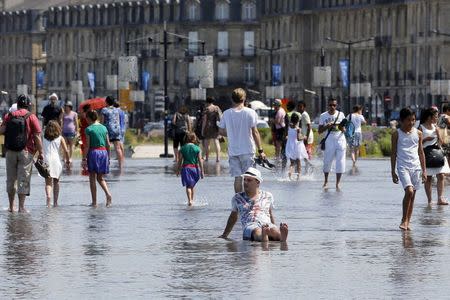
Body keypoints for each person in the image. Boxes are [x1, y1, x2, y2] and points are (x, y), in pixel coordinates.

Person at [219, 167, 288, 242]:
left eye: (249, 180)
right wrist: (225, 235)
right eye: (244, 180)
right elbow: (233, 218)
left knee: (274, 230)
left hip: (266, 223)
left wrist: (274, 226)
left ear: (258, 182)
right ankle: (264, 237)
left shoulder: (268, 196)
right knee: (257, 231)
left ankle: (281, 237)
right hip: (250, 225)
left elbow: (270, 213)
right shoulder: (237, 198)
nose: (245, 182)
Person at [0, 95, 43, 212]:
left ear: (17, 104)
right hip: (25, 152)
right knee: (23, 178)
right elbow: (37, 136)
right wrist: (41, 153)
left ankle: (10, 206)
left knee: (11, 179)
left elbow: (1, 130)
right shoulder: (32, 117)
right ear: (28, 105)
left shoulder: (9, 116)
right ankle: (21, 207)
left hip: (10, 152)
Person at [219, 88, 266, 193]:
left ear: (232, 99)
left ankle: (238, 202)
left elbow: (221, 131)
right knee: (249, 178)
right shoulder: (250, 113)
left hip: (233, 152)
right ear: (244, 99)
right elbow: (255, 132)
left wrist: (231, 133)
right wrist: (261, 150)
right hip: (248, 151)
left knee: (238, 178)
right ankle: (249, 202)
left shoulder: (226, 113)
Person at [391, 107, 427, 230]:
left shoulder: (418, 133)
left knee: (413, 195)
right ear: (401, 120)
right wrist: (393, 171)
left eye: (413, 120)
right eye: (408, 120)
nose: (411, 123)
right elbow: (393, 153)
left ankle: (408, 221)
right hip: (403, 166)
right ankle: (403, 219)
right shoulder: (396, 134)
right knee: (409, 191)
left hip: (416, 167)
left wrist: (424, 171)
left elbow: (421, 152)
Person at [418, 107, 450, 205]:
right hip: (426, 154)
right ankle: (430, 200)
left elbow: (441, 142)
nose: (437, 118)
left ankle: (440, 198)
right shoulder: (421, 128)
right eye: (435, 117)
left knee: (441, 175)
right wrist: (425, 139)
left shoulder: (435, 127)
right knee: (428, 177)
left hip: (437, 152)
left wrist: (438, 134)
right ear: (429, 117)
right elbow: (417, 143)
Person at [82, 110, 112, 208]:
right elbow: (108, 143)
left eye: (86, 118)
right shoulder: (104, 128)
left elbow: (87, 145)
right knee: (100, 178)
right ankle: (108, 194)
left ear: (89, 118)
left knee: (92, 178)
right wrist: (109, 157)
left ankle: (94, 202)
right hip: (103, 152)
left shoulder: (89, 129)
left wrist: (84, 158)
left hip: (94, 152)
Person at [318, 98, 347, 189]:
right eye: (330, 105)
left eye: (334, 105)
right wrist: (327, 126)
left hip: (340, 139)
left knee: (340, 161)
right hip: (329, 140)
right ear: (328, 105)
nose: (332, 107)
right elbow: (319, 131)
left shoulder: (341, 115)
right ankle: (326, 181)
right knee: (327, 161)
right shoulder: (323, 116)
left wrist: (341, 128)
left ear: (336, 106)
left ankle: (337, 183)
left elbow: (344, 129)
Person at [42, 120, 70, 207]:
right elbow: (66, 150)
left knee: (48, 182)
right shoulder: (60, 138)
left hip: (46, 161)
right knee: (56, 181)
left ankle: (48, 197)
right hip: (56, 161)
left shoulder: (43, 137)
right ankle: (55, 202)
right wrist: (68, 160)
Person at [176, 132, 204, 206]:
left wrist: (178, 170)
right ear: (194, 138)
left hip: (186, 168)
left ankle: (189, 200)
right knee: (192, 185)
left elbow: (180, 160)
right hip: (195, 168)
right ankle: (192, 200)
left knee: (188, 186)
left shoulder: (183, 148)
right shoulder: (197, 148)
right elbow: (200, 160)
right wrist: (202, 171)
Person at [100, 96, 124, 169]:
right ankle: (121, 165)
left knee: (107, 146)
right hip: (116, 129)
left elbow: (102, 121)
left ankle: (107, 161)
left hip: (108, 130)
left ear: (106, 102)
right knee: (118, 148)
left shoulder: (104, 110)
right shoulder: (117, 110)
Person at [285, 113, 308, 180]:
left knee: (292, 163)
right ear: (298, 121)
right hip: (297, 146)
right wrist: (304, 137)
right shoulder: (298, 129)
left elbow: (287, 136)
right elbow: (298, 138)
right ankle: (298, 176)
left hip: (290, 145)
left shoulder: (289, 127)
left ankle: (290, 173)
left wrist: (289, 138)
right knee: (298, 162)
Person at [202, 97, 222, 162]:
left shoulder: (206, 109)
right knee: (216, 141)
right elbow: (220, 117)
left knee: (207, 143)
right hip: (216, 126)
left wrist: (202, 129)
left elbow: (205, 120)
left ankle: (207, 158)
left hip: (208, 127)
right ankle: (218, 158)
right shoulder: (217, 108)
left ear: (207, 102)